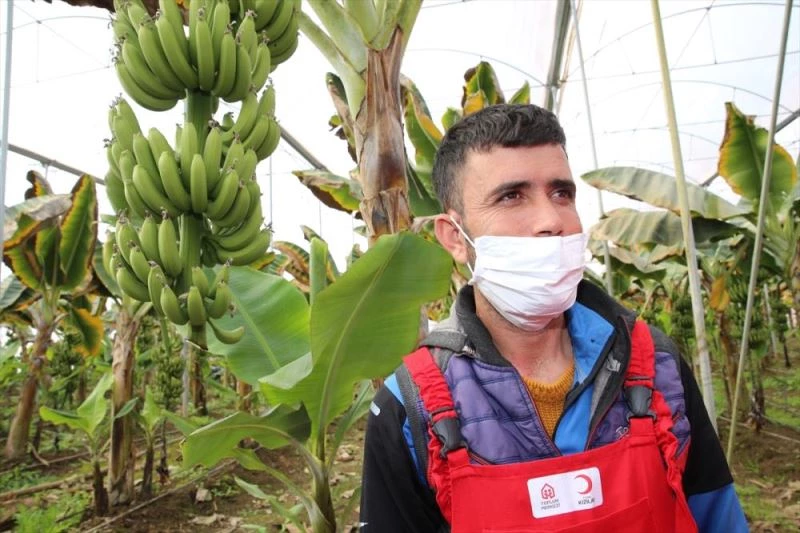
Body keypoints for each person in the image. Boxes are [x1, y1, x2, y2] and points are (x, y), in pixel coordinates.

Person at [359, 104, 748, 532]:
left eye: (562, 193)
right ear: (455, 237)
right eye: (511, 196)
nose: (550, 220)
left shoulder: (654, 365)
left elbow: (717, 516)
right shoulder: (411, 407)